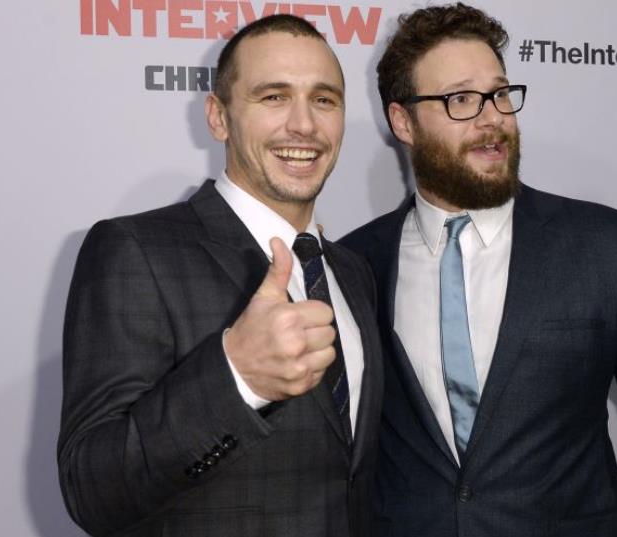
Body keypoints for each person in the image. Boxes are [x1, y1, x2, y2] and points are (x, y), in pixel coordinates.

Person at [340, 3, 617, 536]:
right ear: (402, 121)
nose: (492, 119)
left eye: (501, 94)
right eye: (462, 99)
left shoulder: (602, 243)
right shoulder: (355, 262)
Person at [58, 15, 382, 537]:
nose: (303, 124)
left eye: (324, 99)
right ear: (218, 116)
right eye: (273, 97)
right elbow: (91, 490)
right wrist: (237, 376)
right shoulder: (135, 250)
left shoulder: (351, 270)